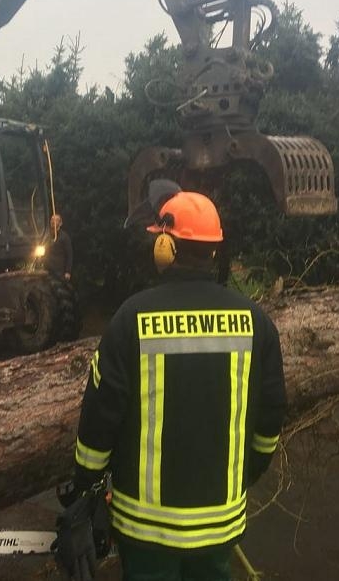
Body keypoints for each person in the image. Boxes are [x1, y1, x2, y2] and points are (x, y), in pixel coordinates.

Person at [55, 183, 287, 581]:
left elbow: (99, 419)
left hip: (145, 531)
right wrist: (245, 475)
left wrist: (85, 487)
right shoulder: (257, 323)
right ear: (214, 250)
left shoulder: (132, 319)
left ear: (166, 247)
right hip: (220, 525)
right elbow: (270, 418)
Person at [45, 213, 73, 281]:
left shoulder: (64, 237)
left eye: (56, 220)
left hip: (59, 272)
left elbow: (69, 255)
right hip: (47, 271)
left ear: (60, 223)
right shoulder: (46, 236)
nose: (53, 221)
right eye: (52, 219)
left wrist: (68, 271)